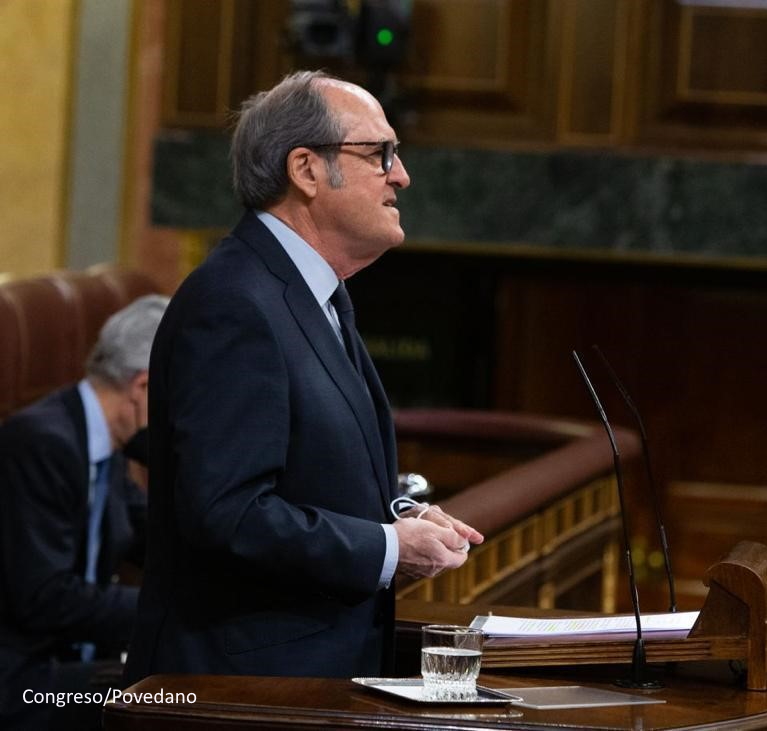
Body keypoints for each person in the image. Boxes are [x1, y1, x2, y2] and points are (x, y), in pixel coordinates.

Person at [124, 70, 483, 684]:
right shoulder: (235, 302)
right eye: (380, 154)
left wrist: (402, 516)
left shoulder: (317, 294)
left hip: (308, 672)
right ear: (307, 170)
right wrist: (387, 550)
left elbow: (310, 470)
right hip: (240, 690)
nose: (401, 175)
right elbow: (229, 513)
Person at [0, 294, 169, 730]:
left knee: (184, 687)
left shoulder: (101, 436)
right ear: (143, 386)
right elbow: (44, 598)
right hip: (24, 678)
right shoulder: (41, 443)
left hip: (69, 661)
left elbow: (150, 532)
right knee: (174, 704)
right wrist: (168, 611)